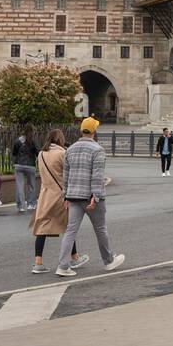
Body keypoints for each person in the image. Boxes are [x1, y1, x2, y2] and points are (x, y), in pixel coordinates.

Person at [57, 117, 125, 277]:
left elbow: (65, 175)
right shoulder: (98, 150)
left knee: (70, 231)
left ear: (81, 130)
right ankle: (108, 261)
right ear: (94, 131)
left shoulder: (70, 149)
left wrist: (65, 195)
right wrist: (96, 195)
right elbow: (97, 176)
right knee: (100, 229)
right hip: (90, 196)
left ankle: (63, 265)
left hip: (73, 196)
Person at [30, 129, 89, 274]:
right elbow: (69, 172)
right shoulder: (63, 153)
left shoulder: (41, 154)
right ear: (60, 139)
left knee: (42, 227)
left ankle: (38, 262)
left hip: (45, 194)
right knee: (69, 226)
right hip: (60, 194)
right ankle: (74, 257)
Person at [11, 125, 39, 214]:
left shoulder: (18, 141)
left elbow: (14, 153)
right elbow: (38, 152)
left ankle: (21, 206)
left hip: (19, 165)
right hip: (31, 166)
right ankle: (31, 204)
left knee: (20, 186)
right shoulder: (33, 141)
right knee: (32, 185)